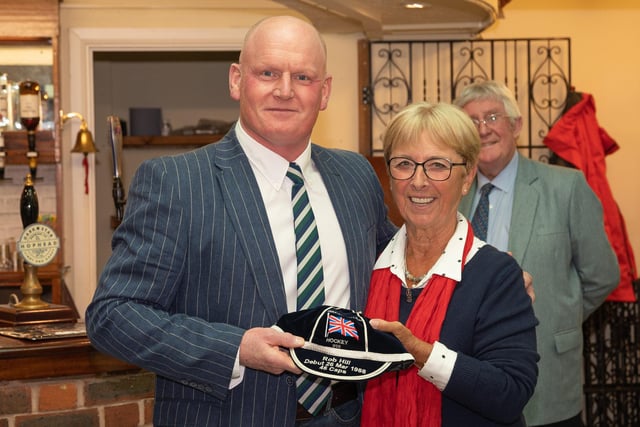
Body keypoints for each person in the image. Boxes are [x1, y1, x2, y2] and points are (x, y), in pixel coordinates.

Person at [85, 15, 397, 427]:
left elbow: (402, 274)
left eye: (302, 77)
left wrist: (487, 270)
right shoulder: (177, 182)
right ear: (236, 80)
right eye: (267, 72)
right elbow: (113, 314)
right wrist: (234, 348)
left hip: (347, 414)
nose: (284, 91)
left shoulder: (356, 176)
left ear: (324, 92)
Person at [361, 101, 539, 427]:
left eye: (438, 165)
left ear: (468, 175)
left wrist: (422, 353)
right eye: (404, 164)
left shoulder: (496, 274)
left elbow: (511, 393)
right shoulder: (365, 263)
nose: (418, 181)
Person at [454, 80, 620, 427]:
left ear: (515, 125)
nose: (483, 130)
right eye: (471, 121)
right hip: (471, 377)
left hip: (548, 375)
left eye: (492, 117)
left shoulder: (566, 186)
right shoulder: (454, 196)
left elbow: (602, 276)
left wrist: (559, 316)